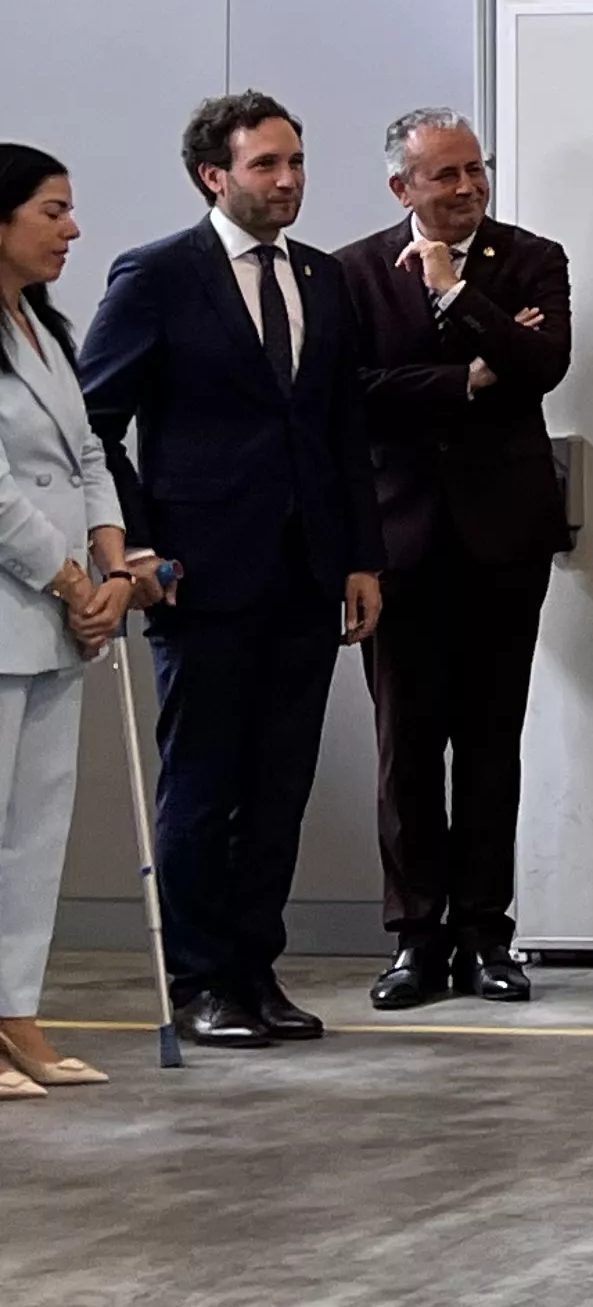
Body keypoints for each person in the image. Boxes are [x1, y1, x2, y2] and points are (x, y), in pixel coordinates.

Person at [79, 94, 386, 1051]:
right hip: (199, 575)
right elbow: (95, 421)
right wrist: (137, 547)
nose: (288, 180)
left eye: (296, 162)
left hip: (305, 572)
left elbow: (343, 429)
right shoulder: (159, 276)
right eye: (266, 166)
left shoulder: (323, 279)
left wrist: (361, 558)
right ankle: (202, 981)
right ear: (215, 175)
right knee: (204, 783)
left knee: (279, 782)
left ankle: (257, 969)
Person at [337, 109, 572, 1009]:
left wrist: (453, 295)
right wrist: (469, 375)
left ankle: (485, 935)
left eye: (476, 170)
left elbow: (542, 363)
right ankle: (415, 938)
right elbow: (352, 395)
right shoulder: (351, 272)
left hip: (504, 538)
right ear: (403, 187)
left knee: (488, 742)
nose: (469, 187)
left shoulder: (530, 257)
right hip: (398, 541)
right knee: (404, 746)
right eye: (446, 176)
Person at [0, 147, 130, 1098]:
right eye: (53, 211)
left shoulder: (44, 328)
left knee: (36, 829)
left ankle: (17, 1013)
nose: (71, 230)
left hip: (60, 616)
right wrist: (68, 577)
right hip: (22, 596)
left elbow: (89, 452)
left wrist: (112, 562)